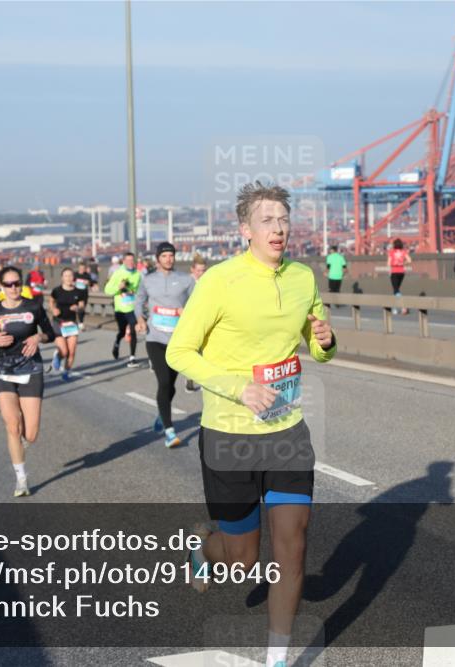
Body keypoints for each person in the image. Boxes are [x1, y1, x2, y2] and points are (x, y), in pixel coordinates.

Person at [166, 182, 336, 667]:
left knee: (293, 549)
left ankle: (277, 659)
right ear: (245, 230)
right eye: (266, 220)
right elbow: (180, 351)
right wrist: (240, 387)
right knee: (243, 561)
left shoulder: (303, 277)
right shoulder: (219, 281)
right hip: (229, 437)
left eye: (283, 219)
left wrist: (325, 339)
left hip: (286, 431)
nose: (278, 228)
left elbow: (320, 346)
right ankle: (206, 546)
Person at [0, 266, 57, 497]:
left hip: (30, 368)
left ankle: (22, 438)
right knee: (12, 426)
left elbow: (50, 334)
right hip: (4, 369)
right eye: (9, 284)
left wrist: (37, 336)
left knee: (30, 434)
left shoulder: (33, 306)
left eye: (17, 283)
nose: (13, 288)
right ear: (1, 287)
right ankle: (21, 480)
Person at [135, 242, 195, 448]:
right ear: (157, 259)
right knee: (163, 382)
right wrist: (140, 319)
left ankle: (163, 413)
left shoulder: (186, 280)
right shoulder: (148, 280)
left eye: (171, 255)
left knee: (170, 384)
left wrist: (186, 313)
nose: (168, 259)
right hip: (155, 338)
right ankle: (170, 432)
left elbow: (196, 305)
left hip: (178, 341)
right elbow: (138, 300)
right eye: (164, 256)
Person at [104, 252, 142, 367]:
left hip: (132, 308)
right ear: (124, 262)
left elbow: (140, 290)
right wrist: (118, 287)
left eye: (132, 260)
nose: (130, 262)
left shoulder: (138, 274)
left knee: (133, 330)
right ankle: (117, 342)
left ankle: (132, 358)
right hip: (120, 309)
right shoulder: (117, 273)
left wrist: (134, 292)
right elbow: (107, 290)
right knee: (121, 332)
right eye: (128, 260)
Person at [49, 267, 85, 381]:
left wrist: (78, 308)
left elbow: (82, 306)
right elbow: (51, 301)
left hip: (71, 324)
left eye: (70, 275)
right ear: (62, 278)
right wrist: (53, 309)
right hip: (58, 322)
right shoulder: (56, 291)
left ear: (73, 277)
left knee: (72, 351)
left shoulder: (78, 292)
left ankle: (66, 371)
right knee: (64, 351)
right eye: (66, 276)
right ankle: (58, 356)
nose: (69, 278)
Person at [185, 255, 208, 392]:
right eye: (199, 270)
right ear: (192, 270)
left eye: (204, 270)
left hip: (205, 322)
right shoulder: (186, 282)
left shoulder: (208, 281)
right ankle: (189, 380)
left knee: (204, 353)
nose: (201, 273)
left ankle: (204, 381)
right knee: (192, 353)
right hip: (190, 323)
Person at [388, 238, 412, 316]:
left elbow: (388, 263)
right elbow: (409, 260)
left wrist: (390, 269)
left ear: (394, 245)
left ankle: (403, 307)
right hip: (401, 272)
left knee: (396, 290)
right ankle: (394, 309)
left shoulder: (391, 252)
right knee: (396, 290)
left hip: (394, 272)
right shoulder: (403, 252)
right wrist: (402, 263)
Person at [73, 261, 96, 331]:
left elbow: (92, 283)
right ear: (78, 268)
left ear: (85, 269)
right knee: (75, 308)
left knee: (82, 308)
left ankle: (81, 323)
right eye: (81, 268)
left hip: (84, 294)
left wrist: (88, 283)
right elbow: (70, 281)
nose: (82, 270)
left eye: (83, 268)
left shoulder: (87, 275)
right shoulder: (75, 275)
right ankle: (76, 322)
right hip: (75, 293)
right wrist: (73, 283)